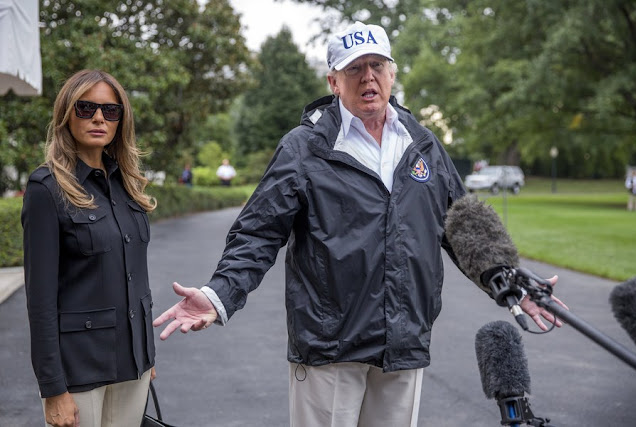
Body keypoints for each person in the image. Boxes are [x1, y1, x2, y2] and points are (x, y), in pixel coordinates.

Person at [153, 22, 566, 427]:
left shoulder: (421, 143)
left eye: (377, 65)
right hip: (330, 349)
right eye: (354, 68)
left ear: (392, 73)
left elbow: (463, 226)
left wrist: (509, 282)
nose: (368, 77)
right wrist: (219, 294)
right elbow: (258, 233)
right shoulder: (304, 148)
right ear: (334, 81)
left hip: (404, 343)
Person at [21, 69, 157, 427]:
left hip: (133, 364)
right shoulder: (46, 189)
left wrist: (146, 354)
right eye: (86, 108)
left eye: (110, 111)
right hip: (78, 370)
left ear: (120, 121)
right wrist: (52, 387)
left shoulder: (128, 187)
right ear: (67, 114)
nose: (99, 117)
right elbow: (40, 300)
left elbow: (136, 277)